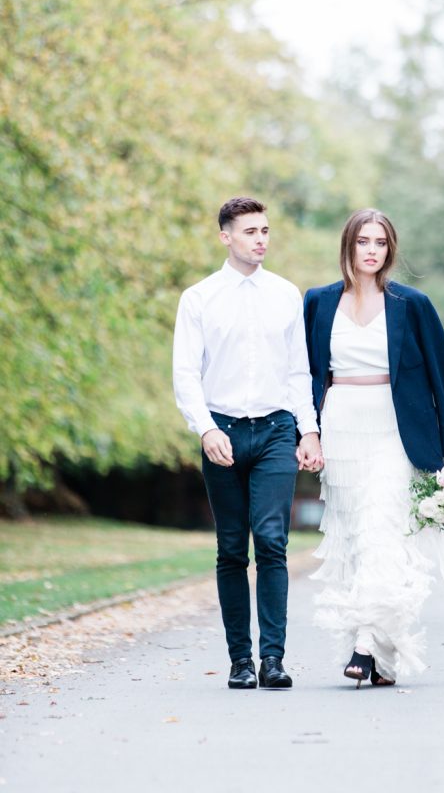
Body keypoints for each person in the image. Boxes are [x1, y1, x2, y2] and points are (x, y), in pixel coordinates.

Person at [303, 208, 444, 687]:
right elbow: (306, 373)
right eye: (363, 241)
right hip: (341, 423)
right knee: (356, 537)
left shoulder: (413, 304)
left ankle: (364, 646)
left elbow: (442, 373)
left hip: (395, 427)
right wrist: (306, 431)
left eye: (381, 243)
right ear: (348, 246)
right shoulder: (317, 302)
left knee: (382, 530)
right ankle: (383, 659)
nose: (372, 250)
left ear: (390, 250)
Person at [173, 196, 322, 691]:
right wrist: (205, 428)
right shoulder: (199, 298)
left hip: (277, 429)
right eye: (251, 231)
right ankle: (240, 660)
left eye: (265, 231)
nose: (261, 239)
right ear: (226, 236)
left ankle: (273, 659)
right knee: (233, 548)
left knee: (273, 542)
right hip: (223, 432)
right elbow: (186, 374)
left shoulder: (285, 294)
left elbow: (298, 370)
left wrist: (309, 429)